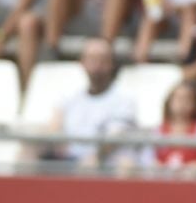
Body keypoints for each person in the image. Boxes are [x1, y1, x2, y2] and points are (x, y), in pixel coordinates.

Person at [46, 38, 139, 167]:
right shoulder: (69, 95)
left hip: (103, 160)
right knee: (29, 148)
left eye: (102, 59)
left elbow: (113, 138)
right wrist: (59, 145)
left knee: (116, 163)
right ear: (82, 62)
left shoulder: (124, 99)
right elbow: (54, 125)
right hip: (67, 157)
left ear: (111, 63)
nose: (97, 64)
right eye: (92, 59)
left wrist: (94, 157)